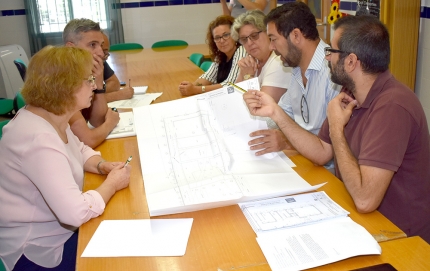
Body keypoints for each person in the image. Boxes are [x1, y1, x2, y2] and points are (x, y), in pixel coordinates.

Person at [243, 15, 430, 242]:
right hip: (363, 221)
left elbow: (365, 200)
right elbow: (322, 152)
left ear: (351, 62)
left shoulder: (393, 107)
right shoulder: (351, 92)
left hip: (399, 238)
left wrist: (336, 129)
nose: (327, 57)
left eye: (331, 51)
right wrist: (275, 112)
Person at [0, 46, 131, 271]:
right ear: (64, 86)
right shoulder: (39, 139)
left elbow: (78, 149)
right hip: (38, 248)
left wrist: (101, 166)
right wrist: (112, 183)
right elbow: (75, 213)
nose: (94, 85)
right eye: (89, 79)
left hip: (56, 231)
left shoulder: (50, 114)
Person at [246, 2, 340, 157]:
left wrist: (287, 142)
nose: (271, 47)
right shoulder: (297, 69)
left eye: (273, 39)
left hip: (327, 173)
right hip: (305, 161)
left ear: (296, 36)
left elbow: (330, 150)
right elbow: (283, 115)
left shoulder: (334, 74)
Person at [63, 18, 120, 148]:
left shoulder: (83, 74)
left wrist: (99, 84)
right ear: (71, 48)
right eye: (92, 45)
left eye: (100, 45)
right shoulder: (61, 79)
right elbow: (87, 140)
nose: (100, 52)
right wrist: (110, 122)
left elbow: (97, 122)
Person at [231, 9, 291, 103]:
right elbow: (233, 97)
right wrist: (243, 72)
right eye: (244, 39)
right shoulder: (251, 62)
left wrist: (247, 75)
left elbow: (260, 106)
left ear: (267, 33)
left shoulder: (278, 62)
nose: (250, 43)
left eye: (254, 35)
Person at [178, 15, 247, 96]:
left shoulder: (241, 50)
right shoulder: (220, 55)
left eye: (226, 35)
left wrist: (195, 89)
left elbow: (230, 86)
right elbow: (208, 77)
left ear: (235, 34)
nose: (221, 40)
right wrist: (190, 86)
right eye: (217, 38)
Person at [101, 32, 134, 102]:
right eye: (92, 45)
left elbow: (115, 84)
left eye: (105, 52)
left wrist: (98, 93)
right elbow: (81, 103)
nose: (100, 54)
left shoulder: (101, 59)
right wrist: (117, 95)